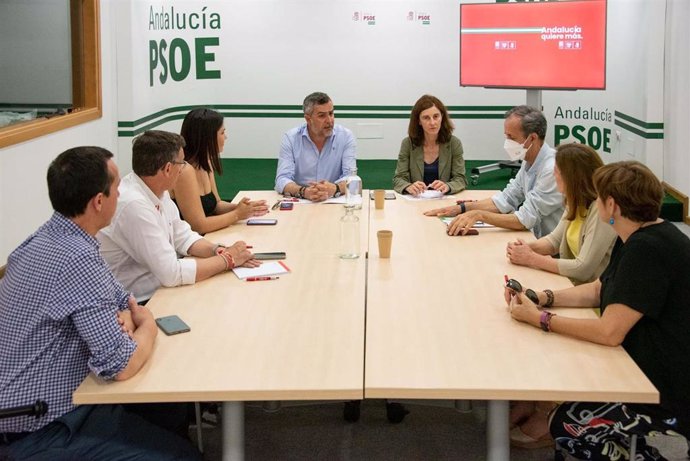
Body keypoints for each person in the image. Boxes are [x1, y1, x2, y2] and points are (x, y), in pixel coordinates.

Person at [0, 147, 200, 460]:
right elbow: (120, 365)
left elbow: (122, 298)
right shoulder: (78, 258)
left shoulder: (46, 238)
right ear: (98, 201)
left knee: (168, 411)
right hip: (39, 426)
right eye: (117, 189)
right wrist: (146, 325)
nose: (120, 195)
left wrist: (125, 315)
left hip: (36, 405)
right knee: (183, 456)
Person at [505, 161, 690, 459]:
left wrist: (540, 318)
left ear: (612, 205)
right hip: (644, 367)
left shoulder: (648, 250)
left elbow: (609, 332)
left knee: (563, 421)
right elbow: (599, 289)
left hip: (660, 390)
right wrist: (541, 297)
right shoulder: (639, 235)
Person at [99, 130, 259, 303]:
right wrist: (227, 260)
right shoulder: (134, 205)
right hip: (139, 301)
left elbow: (182, 236)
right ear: (168, 168)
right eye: (181, 163)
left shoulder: (156, 190)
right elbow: (171, 273)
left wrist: (216, 250)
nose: (184, 168)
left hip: (159, 289)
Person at [424, 105, 564, 238]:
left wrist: (480, 215)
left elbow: (524, 220)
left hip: (556, 253)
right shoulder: (529, 160)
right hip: (538, 241)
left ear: (532, 138)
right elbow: (507, 199)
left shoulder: (552, 169)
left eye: (511, 137)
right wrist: (462, 208)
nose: (507, 142)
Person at [506, 143, 617, 285]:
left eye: (557, 171)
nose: (554, 175)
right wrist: (525, 249)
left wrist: (531, 258)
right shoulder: (575, 201)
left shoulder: (600, 209)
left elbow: (583, 268)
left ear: (572, 177)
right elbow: (554, 241)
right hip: (571, 284)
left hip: (591, 299)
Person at [172, 107, 268, 234]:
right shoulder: (184, 171)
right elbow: (198, 226)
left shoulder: (206, 162)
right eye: (222, 133)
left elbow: (215, 205)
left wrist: (245, 208)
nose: (226, 137)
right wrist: (237, 214)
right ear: (208, 137)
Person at [275, 92, 357, 201]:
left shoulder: (346, 136)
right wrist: (304, 191)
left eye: (331, 113)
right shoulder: (291, 138)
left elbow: (351, 178)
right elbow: (282, 179)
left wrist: (334, 188)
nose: (329, 120)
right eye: (322, 115)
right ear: (308, 119)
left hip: (333, 200)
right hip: (302, 200)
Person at [392, 94, 467, 195]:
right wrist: (408, 187)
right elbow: (398, 179)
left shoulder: (454, 143)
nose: (432, 122)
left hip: (444, 201)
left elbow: (461, 179)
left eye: (436, 116)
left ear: (442, 117)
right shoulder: (408, 143)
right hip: (416, 201)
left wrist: (448, 186)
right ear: (418, 121)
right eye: (426, 118)